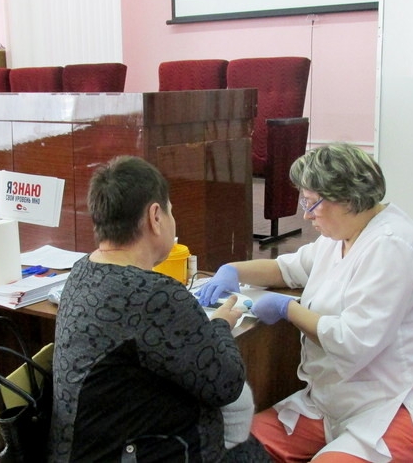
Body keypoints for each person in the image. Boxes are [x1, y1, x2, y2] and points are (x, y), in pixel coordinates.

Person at [197, 142, 413, 462]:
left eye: (312, 203)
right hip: (328, 401)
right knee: (234, 448)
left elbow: (353, 342)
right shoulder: (341, 234)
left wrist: (289, 309)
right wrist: (232, 270)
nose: (306, 213)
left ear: (346, 198)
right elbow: (288, 268)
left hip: (384, 406)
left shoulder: (391, 245)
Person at [48, 155, 261, 462]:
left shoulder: (82, 271)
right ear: (155, 216)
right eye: (171, 210)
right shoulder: (154, 295)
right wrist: (220, 324)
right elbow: (226, 383)